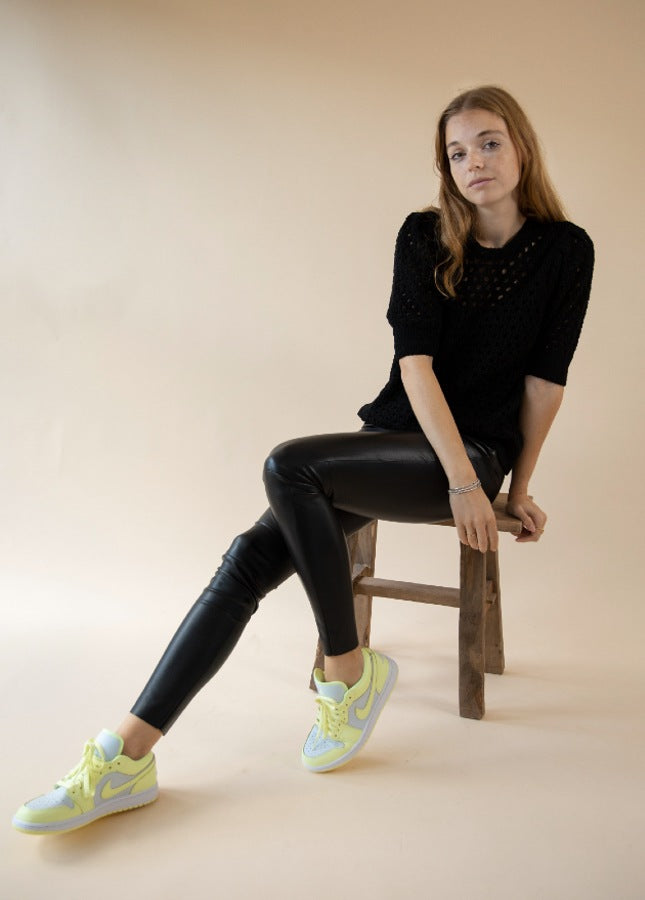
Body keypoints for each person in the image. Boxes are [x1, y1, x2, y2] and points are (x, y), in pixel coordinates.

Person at [12, 84, 594, 835]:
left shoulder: (565, 250)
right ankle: (127, 757)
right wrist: (454, 479)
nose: (473, 162)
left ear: (521, 147)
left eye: (488, 142)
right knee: (246, 561)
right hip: (398, 442)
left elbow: (545, 384)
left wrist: (508, 486)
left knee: (289, 466)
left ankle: (347, 672)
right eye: (456, 153)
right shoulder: (424, 235)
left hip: (475, 455)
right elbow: (414, 366)